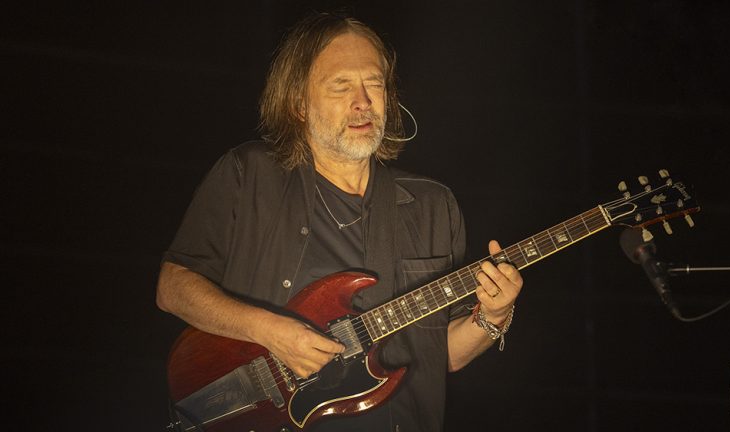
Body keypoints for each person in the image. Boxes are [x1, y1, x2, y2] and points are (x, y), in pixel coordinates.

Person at [156, 11, 522, 432]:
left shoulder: (432, 205)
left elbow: (444, 354)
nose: (363, 101)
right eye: (341, 85)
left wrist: (492, 317)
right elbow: (173, 288)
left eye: (374, 83)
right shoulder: (248, 174)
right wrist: (269, 330)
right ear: (298, 103)